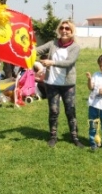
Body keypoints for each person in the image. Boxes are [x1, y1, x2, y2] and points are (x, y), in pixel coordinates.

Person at [36, 20, 84, 148]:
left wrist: (51, 62)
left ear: (72, 31)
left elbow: (69, 62)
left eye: (67, 28)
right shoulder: (53, 43)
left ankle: (75, 137)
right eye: (62, 28)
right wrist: (23, 49)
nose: (64, 30)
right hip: (51, 83)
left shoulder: (75, 47)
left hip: (67, 84)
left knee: (70, 111)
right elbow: (37, 50)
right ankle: (53, 137)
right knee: (53, 110)